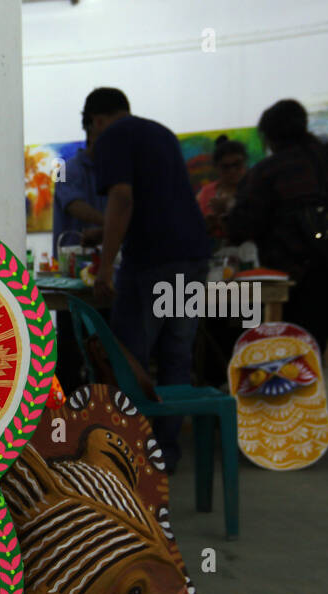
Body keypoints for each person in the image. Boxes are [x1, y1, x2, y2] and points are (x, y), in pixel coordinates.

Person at [226, 98, 328, 444]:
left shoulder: (269, 172)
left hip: (304, 269)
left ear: (269, 138)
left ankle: (303, 429)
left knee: (302, 346)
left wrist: (225, 220)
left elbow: (244, 223)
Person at [86, 88, 212, 470]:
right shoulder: (160, 132)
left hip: (153, 262)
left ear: (96, 121)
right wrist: (105, 235)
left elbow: (122, 199)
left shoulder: (111, 136)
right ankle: (166, 454)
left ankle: (131, 457)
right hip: (191, 257)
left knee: (129, 360)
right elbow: (156, 200)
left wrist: (105, 267)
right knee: (176, 356)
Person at [52, 127, 106, 391]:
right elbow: (73, 205)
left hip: (104, 273)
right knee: (70, 348)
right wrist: (113, 223)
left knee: (104, 349)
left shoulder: (111, 170)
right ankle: (69, 410)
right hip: (71, 276)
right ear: (93, 129)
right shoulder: (65, 169)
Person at [198, 136, 248, 240]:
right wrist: (209, 225)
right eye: (225, 167)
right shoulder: (206, 193)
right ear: (216, 168)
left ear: (245, 163)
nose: (232, 171)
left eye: (237, 164)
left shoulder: (256, 188)